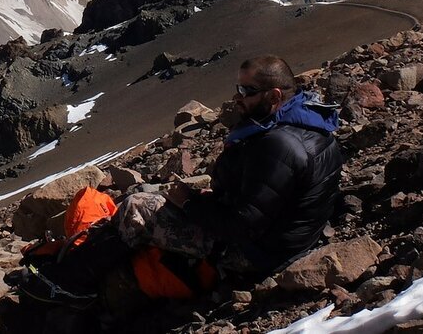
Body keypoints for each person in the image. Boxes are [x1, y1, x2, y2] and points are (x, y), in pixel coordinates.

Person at [117, 55, 343, 277]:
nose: (237, 96)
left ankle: (113, 287)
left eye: (247, 91)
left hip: (261, 253)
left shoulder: (278, 145)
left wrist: (189, 204)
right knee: (149, 194)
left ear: (274, 96)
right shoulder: (310, 122)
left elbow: (243, 226)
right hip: (290, 237)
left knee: (136, 206)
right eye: (239, 88)